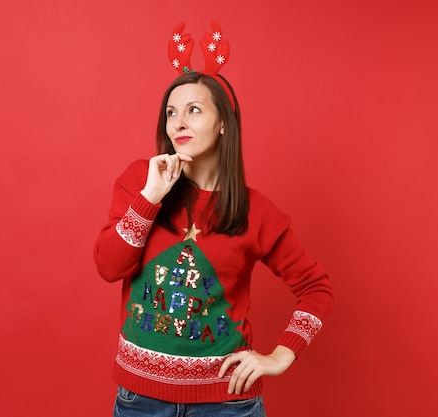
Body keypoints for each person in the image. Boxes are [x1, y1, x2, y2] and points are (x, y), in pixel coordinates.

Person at [93, 22, 334, 417]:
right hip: (140, 403)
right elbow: (108, 266)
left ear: (223, 123)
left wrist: (281, 355)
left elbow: (317, 288)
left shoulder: (256, 211)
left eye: (194, 110)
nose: (178, 123)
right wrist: (151, 197)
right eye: (171, 112)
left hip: (227, 405)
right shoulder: (141, 180)